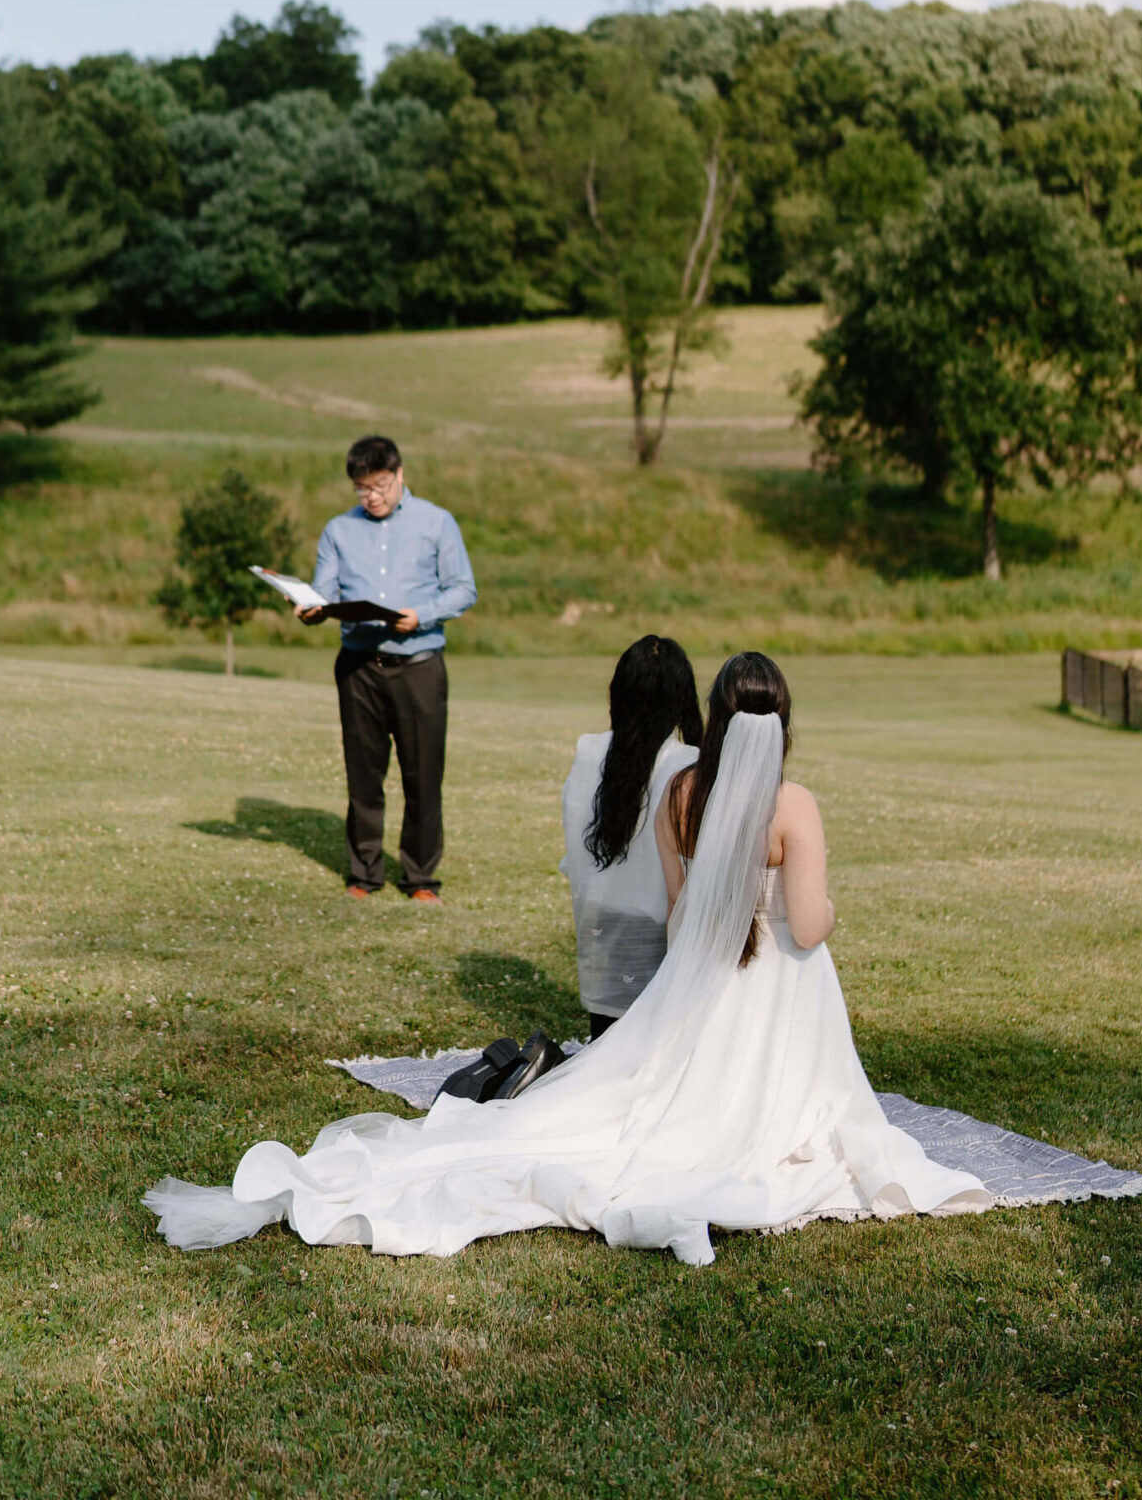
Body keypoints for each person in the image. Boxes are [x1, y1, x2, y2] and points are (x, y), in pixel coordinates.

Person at [145, 651, 992, 1267]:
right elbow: (807, 927)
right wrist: (831, 904)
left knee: (633, 1101)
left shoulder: (679, 792)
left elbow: (678, 913)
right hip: (776, 996)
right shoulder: (793, 803)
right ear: (785, 724)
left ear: (720, 717)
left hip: (694, 983)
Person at [297, 434, 475, 903]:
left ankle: (419, 879)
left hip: (418, 664)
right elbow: (324, 590)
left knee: (422, 776)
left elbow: (463, 589)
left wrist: (422, 614)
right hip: (358, 666)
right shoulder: (339, 530)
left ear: (399, 476)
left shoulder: (437, 522)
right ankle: (364, 874)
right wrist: (313, 609)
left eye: (379, 486)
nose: (371, 497)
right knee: (363, 775)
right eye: (362, 489)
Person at [560, 636, 702, 1038]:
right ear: (681, 697)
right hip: (662, 929)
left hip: (602, 921)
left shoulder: (589, 751)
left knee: (608, 1041)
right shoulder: (687, 763)